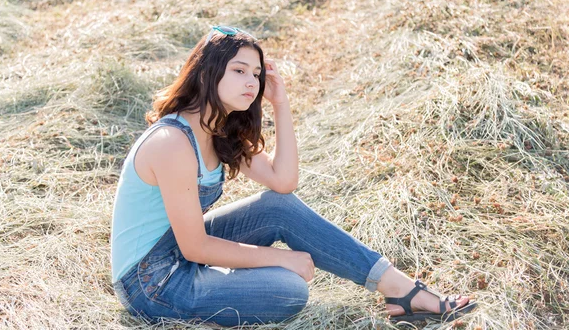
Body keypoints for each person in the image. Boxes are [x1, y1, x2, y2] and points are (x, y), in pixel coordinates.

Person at [110, 25, 476, 327]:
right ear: (207, 72)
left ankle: (400, 287)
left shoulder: (216, 129)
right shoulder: (172, 142)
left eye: (256, 73)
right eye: (239, 70)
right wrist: (281, 259)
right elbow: (196, 248)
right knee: (289, 289)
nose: (251, 82)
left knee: (276, 206)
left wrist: (280, 103)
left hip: (179, 251)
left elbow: (283, 182)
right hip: (152, 283)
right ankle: (234, 286)